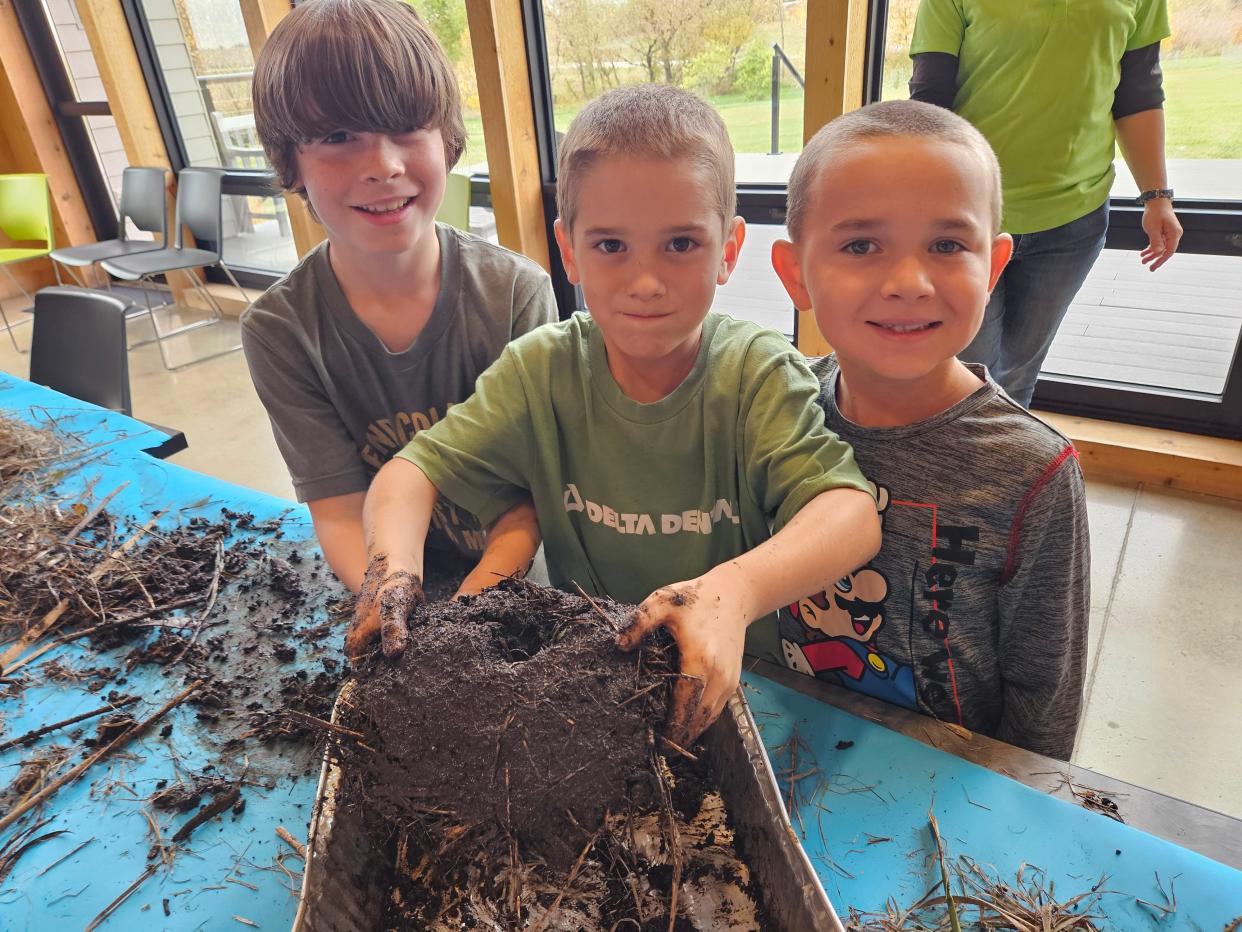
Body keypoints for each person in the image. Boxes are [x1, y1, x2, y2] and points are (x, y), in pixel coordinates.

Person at [349, 84, 881, 746]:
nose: (646, 281)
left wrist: (732, 592)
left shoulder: (757, 373)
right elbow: (410, 471)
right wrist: (393, 567)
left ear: (729, 249)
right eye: (610, 247)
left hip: (732, 686)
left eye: (681, 244)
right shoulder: (540, 370)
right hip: (586, 683)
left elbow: (851, 516)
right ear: (568, 250)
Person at [770, 100, 1089, 759]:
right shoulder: (773, 407)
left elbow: (1043, 701)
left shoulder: (1034, 472)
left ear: (995, 266)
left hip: (948, 794)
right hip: (785, 748)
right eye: (861, 246)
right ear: (796, 272)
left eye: (947, 245)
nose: (909, 282)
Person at [241, 0, 556, 595]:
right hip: (381, 583)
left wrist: (465, 619)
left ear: (447, 139)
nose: (383, 166)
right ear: (292, 162)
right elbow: (336, 508)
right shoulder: (280, 329)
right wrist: (391, 601)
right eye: (338, 137)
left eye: (407, 128)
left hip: (514, 581)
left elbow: (530, 498)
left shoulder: (516, 294)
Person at [909, 0, 1182, 408]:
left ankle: (1009, 467)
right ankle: (954, 465)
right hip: (967, 218)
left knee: (1019, 373)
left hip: (1074, 220)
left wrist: (1157, 196)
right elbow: (930, 101)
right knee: (966, 371)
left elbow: (1138, 92)